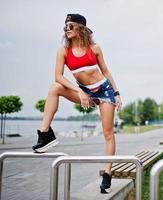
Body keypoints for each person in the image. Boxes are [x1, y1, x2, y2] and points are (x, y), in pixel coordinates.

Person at [32, 13, 122, 194]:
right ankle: (45, 134)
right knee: (54, 88)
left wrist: (117, 93)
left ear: (81, 28)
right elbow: (58, 76)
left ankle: (107, 173)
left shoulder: (94, 48)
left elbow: (106, 71)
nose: (67, 28)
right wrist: (80, 91)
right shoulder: (63, 51)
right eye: (65, 26)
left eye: (71, 25)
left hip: (104, 91)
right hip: (83, 91)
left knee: (108, 133)